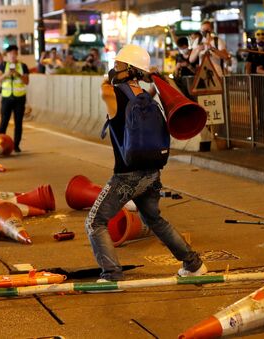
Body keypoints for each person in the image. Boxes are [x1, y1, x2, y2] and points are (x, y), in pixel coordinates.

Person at [86, 44, 207, 282]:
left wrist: (114, 76)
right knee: (154, 220)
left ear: (126, 68)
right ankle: (193, 264)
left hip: (126, 175)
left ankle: (111, 274)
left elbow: (103, 87)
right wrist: (142, 76)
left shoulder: (114, 93)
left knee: (95, 221)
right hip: (151, 173)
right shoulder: (146, 96)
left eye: (117, 64)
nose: (113, 67)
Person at [0, 45, 29, 153]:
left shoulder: (23, 66)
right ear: (7, 55)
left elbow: (26, 81)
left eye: (15, 54)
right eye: (10, 54)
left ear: (17, 54)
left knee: (18, 123)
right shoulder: (3, 65)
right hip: (6, 98)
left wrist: (18, 74)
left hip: (19, 99)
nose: (13, 56)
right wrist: (6, 74)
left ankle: (16, 145)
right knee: (4, 122)